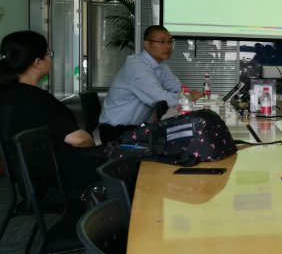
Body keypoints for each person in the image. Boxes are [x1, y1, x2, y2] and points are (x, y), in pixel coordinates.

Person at [0, 30, 105, 196]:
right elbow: (79, 140)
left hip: (31, 178)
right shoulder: (34, 98)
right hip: (60, 178)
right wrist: (92, 145)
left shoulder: (7, 94)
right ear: (37, 62)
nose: (50, 57)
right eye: (48, 53)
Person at [99, 25, 200, 143]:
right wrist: (189, 97)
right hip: (116, 132)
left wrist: (186, 95)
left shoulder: (160, 65)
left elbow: (178, 88)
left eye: (170, 42)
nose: (168, 46)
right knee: (178, 142)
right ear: (147, 45)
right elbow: (162, 99)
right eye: (161, 42)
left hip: (134, 128)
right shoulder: (137, 66)